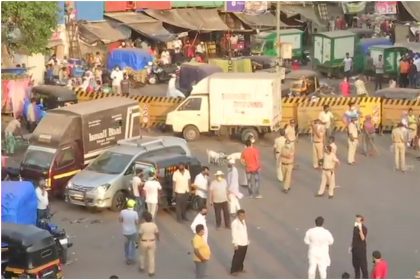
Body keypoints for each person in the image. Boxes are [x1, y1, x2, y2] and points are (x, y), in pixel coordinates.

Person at [138, 211, 159, 277]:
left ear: (144, 219)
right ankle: (151, 271)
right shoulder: (154, 225)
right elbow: (157, 233)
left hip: (144, 241)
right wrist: (158, 238)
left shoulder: (142, 225)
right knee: (151, 257)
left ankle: (142, 267)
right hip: (152, 241)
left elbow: (140, 234)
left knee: (142, 255)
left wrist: (140, 239)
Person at [119, 199, 139, 265]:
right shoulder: (135, 213)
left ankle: (127, 258)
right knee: (133, 245)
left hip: (125, 232)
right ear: (133, 206)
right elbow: (137, 223)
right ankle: (131, 258)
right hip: (132, 231)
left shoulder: (122, 212)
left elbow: (120, 220)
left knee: (126, 245)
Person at [230, 209, 249, 276]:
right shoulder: (235, 223)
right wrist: (235, 244)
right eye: (241, 215)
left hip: (245, 242)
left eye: (243, 215)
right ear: (238, 215)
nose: (242, 217)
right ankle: (233, 270)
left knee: (242, 256)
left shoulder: (243, 221)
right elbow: (234, 234)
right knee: (237, 257)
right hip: (239, 243)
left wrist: (247, 241)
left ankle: (240, 268)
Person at [351, 215, 368, 279]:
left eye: (358, 220)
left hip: (361, 250)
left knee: (363, 268)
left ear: (362, 221)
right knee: (356, 268)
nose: (356, 221)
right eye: (356, 220)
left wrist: (360, 229)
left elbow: (363, 238)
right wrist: (351, 246)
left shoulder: (364, 228)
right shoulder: (355, 228)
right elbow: (354, 238)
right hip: (354, 250)